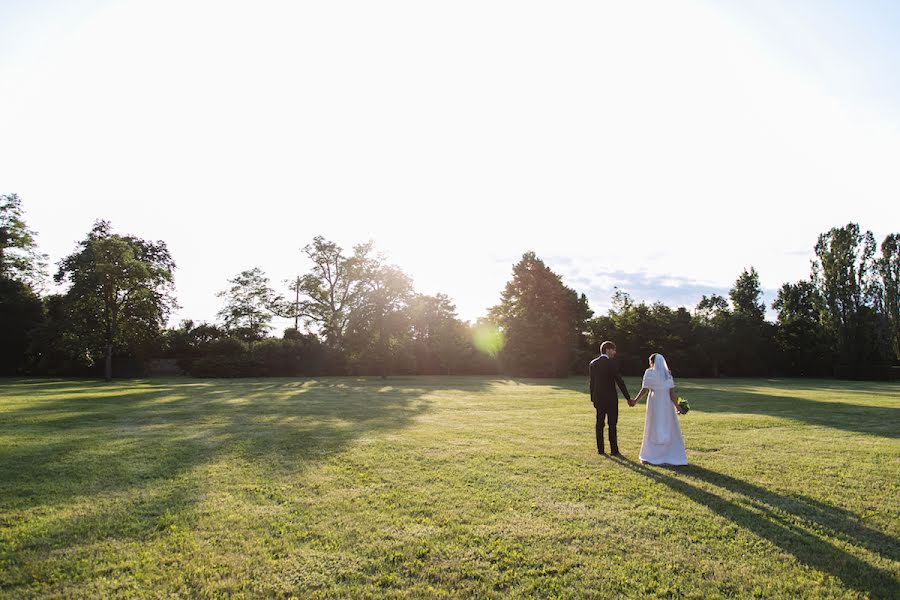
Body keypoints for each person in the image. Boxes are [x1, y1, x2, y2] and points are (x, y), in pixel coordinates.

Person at [631, 353, 688, 466]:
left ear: (652, 362)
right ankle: (669, 454)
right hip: (666, 403)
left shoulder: (649, 373)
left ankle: (651, 454)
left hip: (654, 402)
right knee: (668, 425)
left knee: (653, 426)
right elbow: (671, 393)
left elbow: (644, 389)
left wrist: (635, 401)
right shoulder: (667, 374)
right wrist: (678, 407)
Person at [589, 341, 632, 456]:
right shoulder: (611, 363)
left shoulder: (593, 363)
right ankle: (614, 450)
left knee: (599, 424)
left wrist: (593, 398)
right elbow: (619, 381)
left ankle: (601, 450)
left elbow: (592, 383)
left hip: (598, 398)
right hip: (611, 399)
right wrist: (628, 398)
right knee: (612, 424)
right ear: (608, 350)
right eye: (613, 350)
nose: (615, 352)